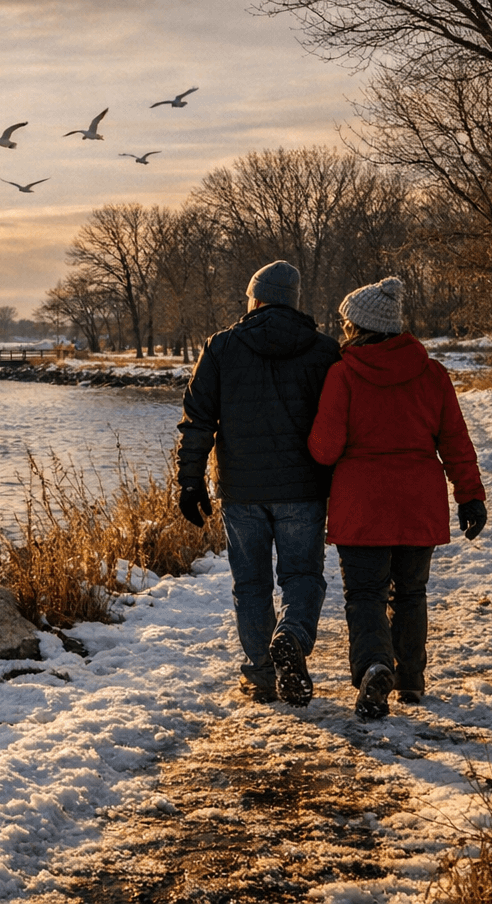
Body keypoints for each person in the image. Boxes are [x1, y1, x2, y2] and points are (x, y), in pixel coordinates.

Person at [308, 276, 487, 719]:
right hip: (417, 502)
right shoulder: (432, 374)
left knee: (365, 594)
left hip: (362, 503)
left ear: (359, 327)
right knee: (411, 592)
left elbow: (325, 449)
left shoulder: (343, 374)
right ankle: (410, 679)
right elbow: (456, 441)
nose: (343, 330)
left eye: (346, 324)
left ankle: (374, 666)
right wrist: (470, 496)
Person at [175, 260, 342, 707]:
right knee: (302, 576)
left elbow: (197, 421)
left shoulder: (221, 347)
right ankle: (292, 635)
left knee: (250, 584)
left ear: (257, 299)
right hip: (303, 489)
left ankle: (261, 675)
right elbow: (340, 422)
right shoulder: (325, 351)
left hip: (241, 491)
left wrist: (189, 481)